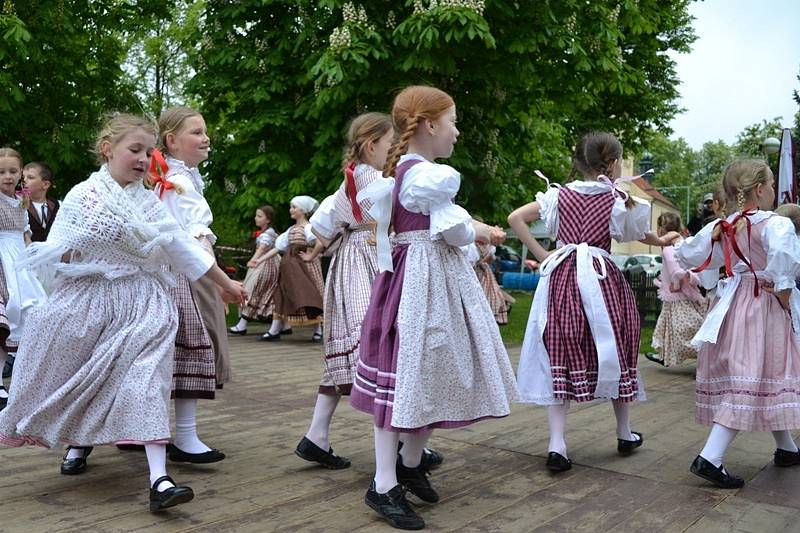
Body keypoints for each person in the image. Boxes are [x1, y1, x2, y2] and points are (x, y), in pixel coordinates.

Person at [0, 114, 246, 511]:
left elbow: (181, 246)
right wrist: (51, 303)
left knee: (145, 383)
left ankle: (160, 480)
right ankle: (79, 443)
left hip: (143, 302)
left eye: (149, 152)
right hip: (91, 301)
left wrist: (225, 283)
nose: (144, 159)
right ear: (107, 149)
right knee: (88, 377)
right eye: (135, 150)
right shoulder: (84, 196)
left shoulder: (148, 202)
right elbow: (58, 251)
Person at [350, 86, 518, 530]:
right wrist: (477, 229)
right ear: (429, 124)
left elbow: (451, 228)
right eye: (453, 121)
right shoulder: (424, 175)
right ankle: (384, 483)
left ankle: (407, 462)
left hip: (430, 282)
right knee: (404, 375)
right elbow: (455, 231)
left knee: (425, 371)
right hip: (418, 285)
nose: (457, 131)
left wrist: (473, 229)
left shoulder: (411, 173)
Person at [510, 131, 680, 473]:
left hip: (562, 278)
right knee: (616, 344)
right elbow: (636, 233)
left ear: (578, 161)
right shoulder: (619, 199)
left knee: (560, 346)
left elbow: (516, 218)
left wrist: (545, 255)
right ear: (614, 163)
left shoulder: (559, 196)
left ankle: (557, 444)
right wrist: (661, 239)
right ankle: (623, 431)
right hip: (602, 278)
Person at [677, 159, 800, 488]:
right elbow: (784, 271)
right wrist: (786, 303)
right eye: (771, 184)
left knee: (763, 375)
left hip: (730, 306)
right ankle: (710, 457)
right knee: (752, 376)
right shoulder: (775, 224)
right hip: (762, 305)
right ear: (759, 190)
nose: (774, 190)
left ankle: (787, 448)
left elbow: (688, 254)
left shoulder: (723, 225)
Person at [150, 106, 230, 463]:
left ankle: (174, 433)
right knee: (188, 345)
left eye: (204, 130)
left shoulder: (179, 177)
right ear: (172, 141)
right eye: (196, 132)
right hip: (181, 273)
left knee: (174, 352)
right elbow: (195, 236)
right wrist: (218, 278)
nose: (205, 137)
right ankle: (181, 435)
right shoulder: (176, 182)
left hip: (176, 270)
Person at [0, 148, 47, 407]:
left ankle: (22, 382)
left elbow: (26, 236)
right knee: (6, 318)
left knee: (32, 315)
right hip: (3, 263)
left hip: (21, 263)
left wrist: (34, 259)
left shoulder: (21, 201)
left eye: (12, 171)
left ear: (19, 173)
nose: (7, 176)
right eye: (1, 172)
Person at [257, 196, 324, 342]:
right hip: (290, 269)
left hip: (305, 268)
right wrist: (259, 260)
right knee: (281, 293)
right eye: (291, 206)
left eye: (294, 207)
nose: (291, 210)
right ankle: (274, 329)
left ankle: (318, 329)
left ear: (304, 210)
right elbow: (278, 248)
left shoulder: (309, 227)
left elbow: (320, 243)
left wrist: (311, 256)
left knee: (311, 294)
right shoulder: (291, 230)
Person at [646, 212, 708, 367]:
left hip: (678, 297)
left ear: (661, 228)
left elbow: (676, 272)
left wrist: (675, 284)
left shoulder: (668, 249)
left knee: (683, 330)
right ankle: (664, 355)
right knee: (668, 327)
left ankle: (706, 353)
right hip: (682, 295)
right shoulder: (681, 243)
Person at [228, 205, 280, 334]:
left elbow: (262, 248)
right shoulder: (268, 233)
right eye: (256, 215)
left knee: (251, 290)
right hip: (270, 264)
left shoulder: (267, 234)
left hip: (265, 266)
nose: (256, 218)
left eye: (260, 216)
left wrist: (253, 260)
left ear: (268, 220)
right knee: (268, 294)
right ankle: (283, 326)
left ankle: (242, 324)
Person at [22, 161, 59, 242]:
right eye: (22, 177)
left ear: (45, 184)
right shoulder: (18, 204)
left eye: (30, 177)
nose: (24, 180)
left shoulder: (58, 206)